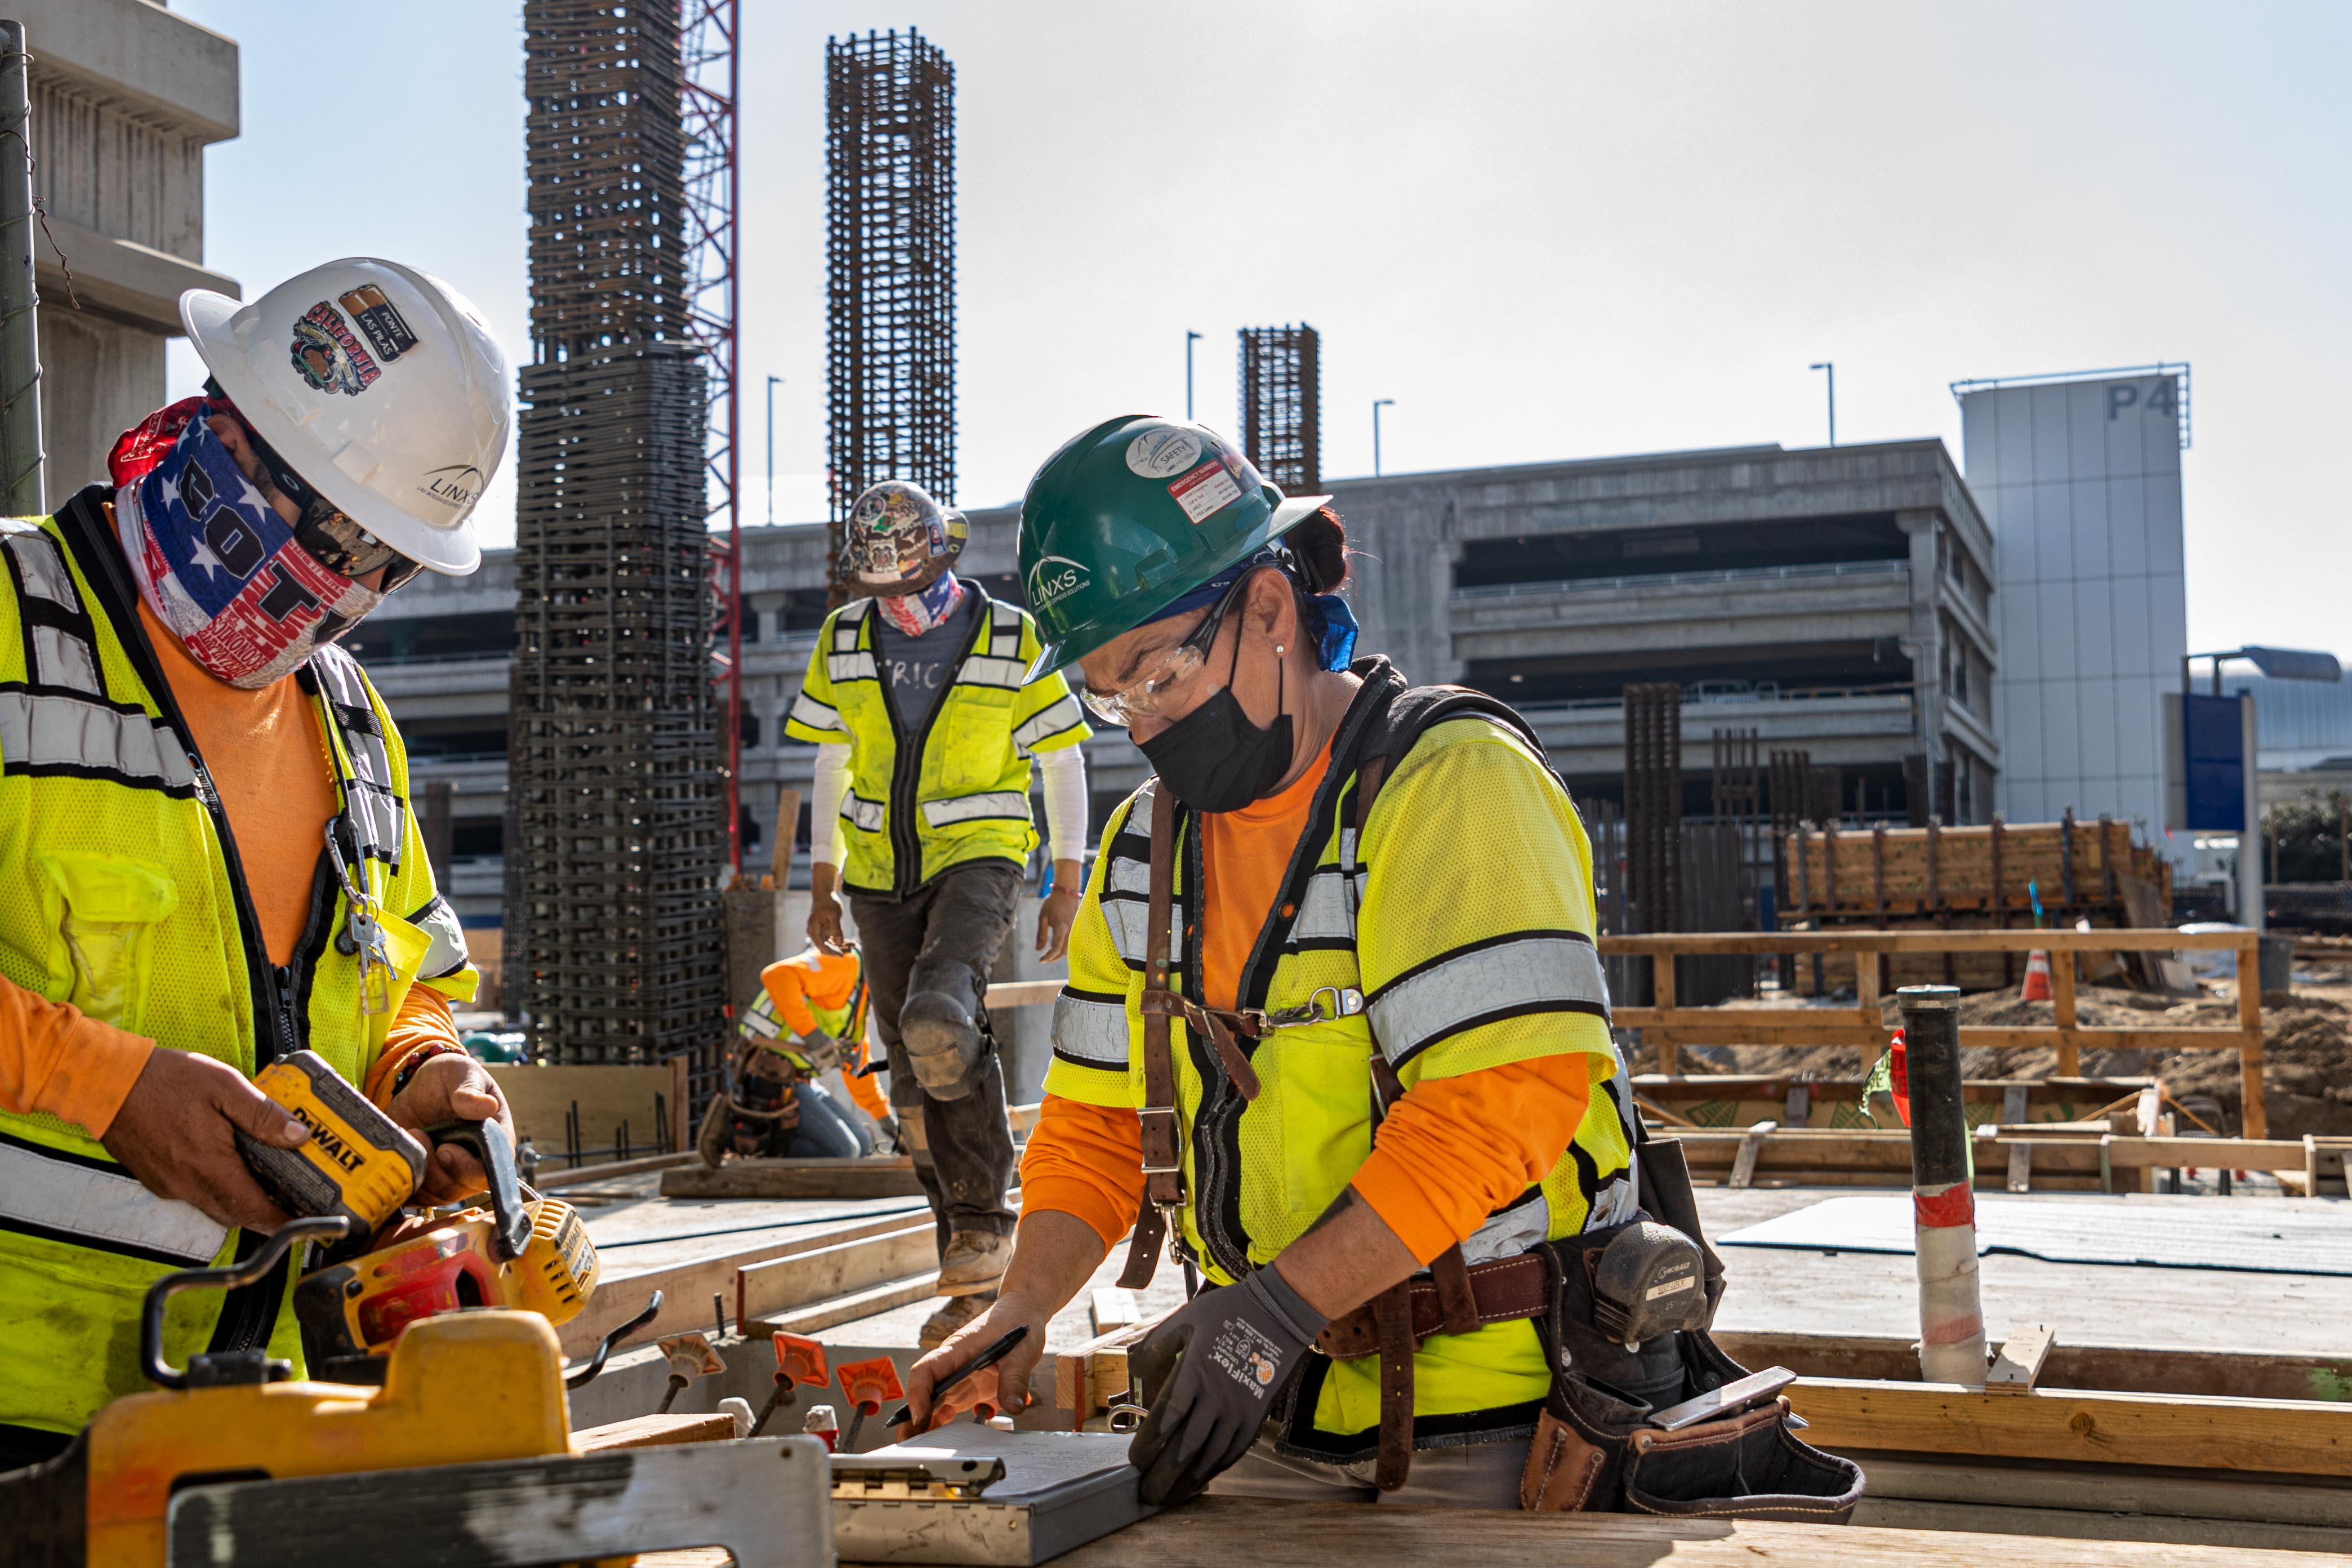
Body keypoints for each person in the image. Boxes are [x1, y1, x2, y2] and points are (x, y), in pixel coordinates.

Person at [899, 416, 1637, 1506]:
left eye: (1158, 672)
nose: (1144, 724)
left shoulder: (1451, 786)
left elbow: (1504, 1104)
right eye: (1111, 696)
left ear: (1270, 609)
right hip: (1275, 1420)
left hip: (1502, 1429)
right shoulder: (1148, 847)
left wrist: (1277, 1308)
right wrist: (1023, 1307)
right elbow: (1099, 1128)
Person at [0, 259, 517, 1464]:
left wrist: (419, 1069)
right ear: (216, 426)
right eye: (324, 528)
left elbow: (403, 972)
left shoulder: (350, 721)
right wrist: (103, 1087)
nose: (340, 585)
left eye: (380, 562)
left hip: (245, 1403)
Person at [783, 480, 1092, 1347]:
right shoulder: (844, 641)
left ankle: (989, 1216)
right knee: (911, 1078)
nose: (898, 606)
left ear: (945, 557)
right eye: (880, 591)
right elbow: (832, 763)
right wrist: (822, 881)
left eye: (909, 586)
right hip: (878, 873)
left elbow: (1063, 761)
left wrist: (1066, 877)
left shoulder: (1010, 636)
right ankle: (964, 1246)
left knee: (940, 1021)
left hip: (982, 856)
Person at [701, 943, 889, 1162]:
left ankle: (773, 1139)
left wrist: (886, 1120)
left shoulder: (861, 1000)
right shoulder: (843, 964)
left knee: (863, 1144)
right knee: (845, 1152)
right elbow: (776, 976)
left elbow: (856, 1065)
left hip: (798, 1083)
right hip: (764, 1075)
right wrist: (814, 1037)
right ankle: (746, 1143)